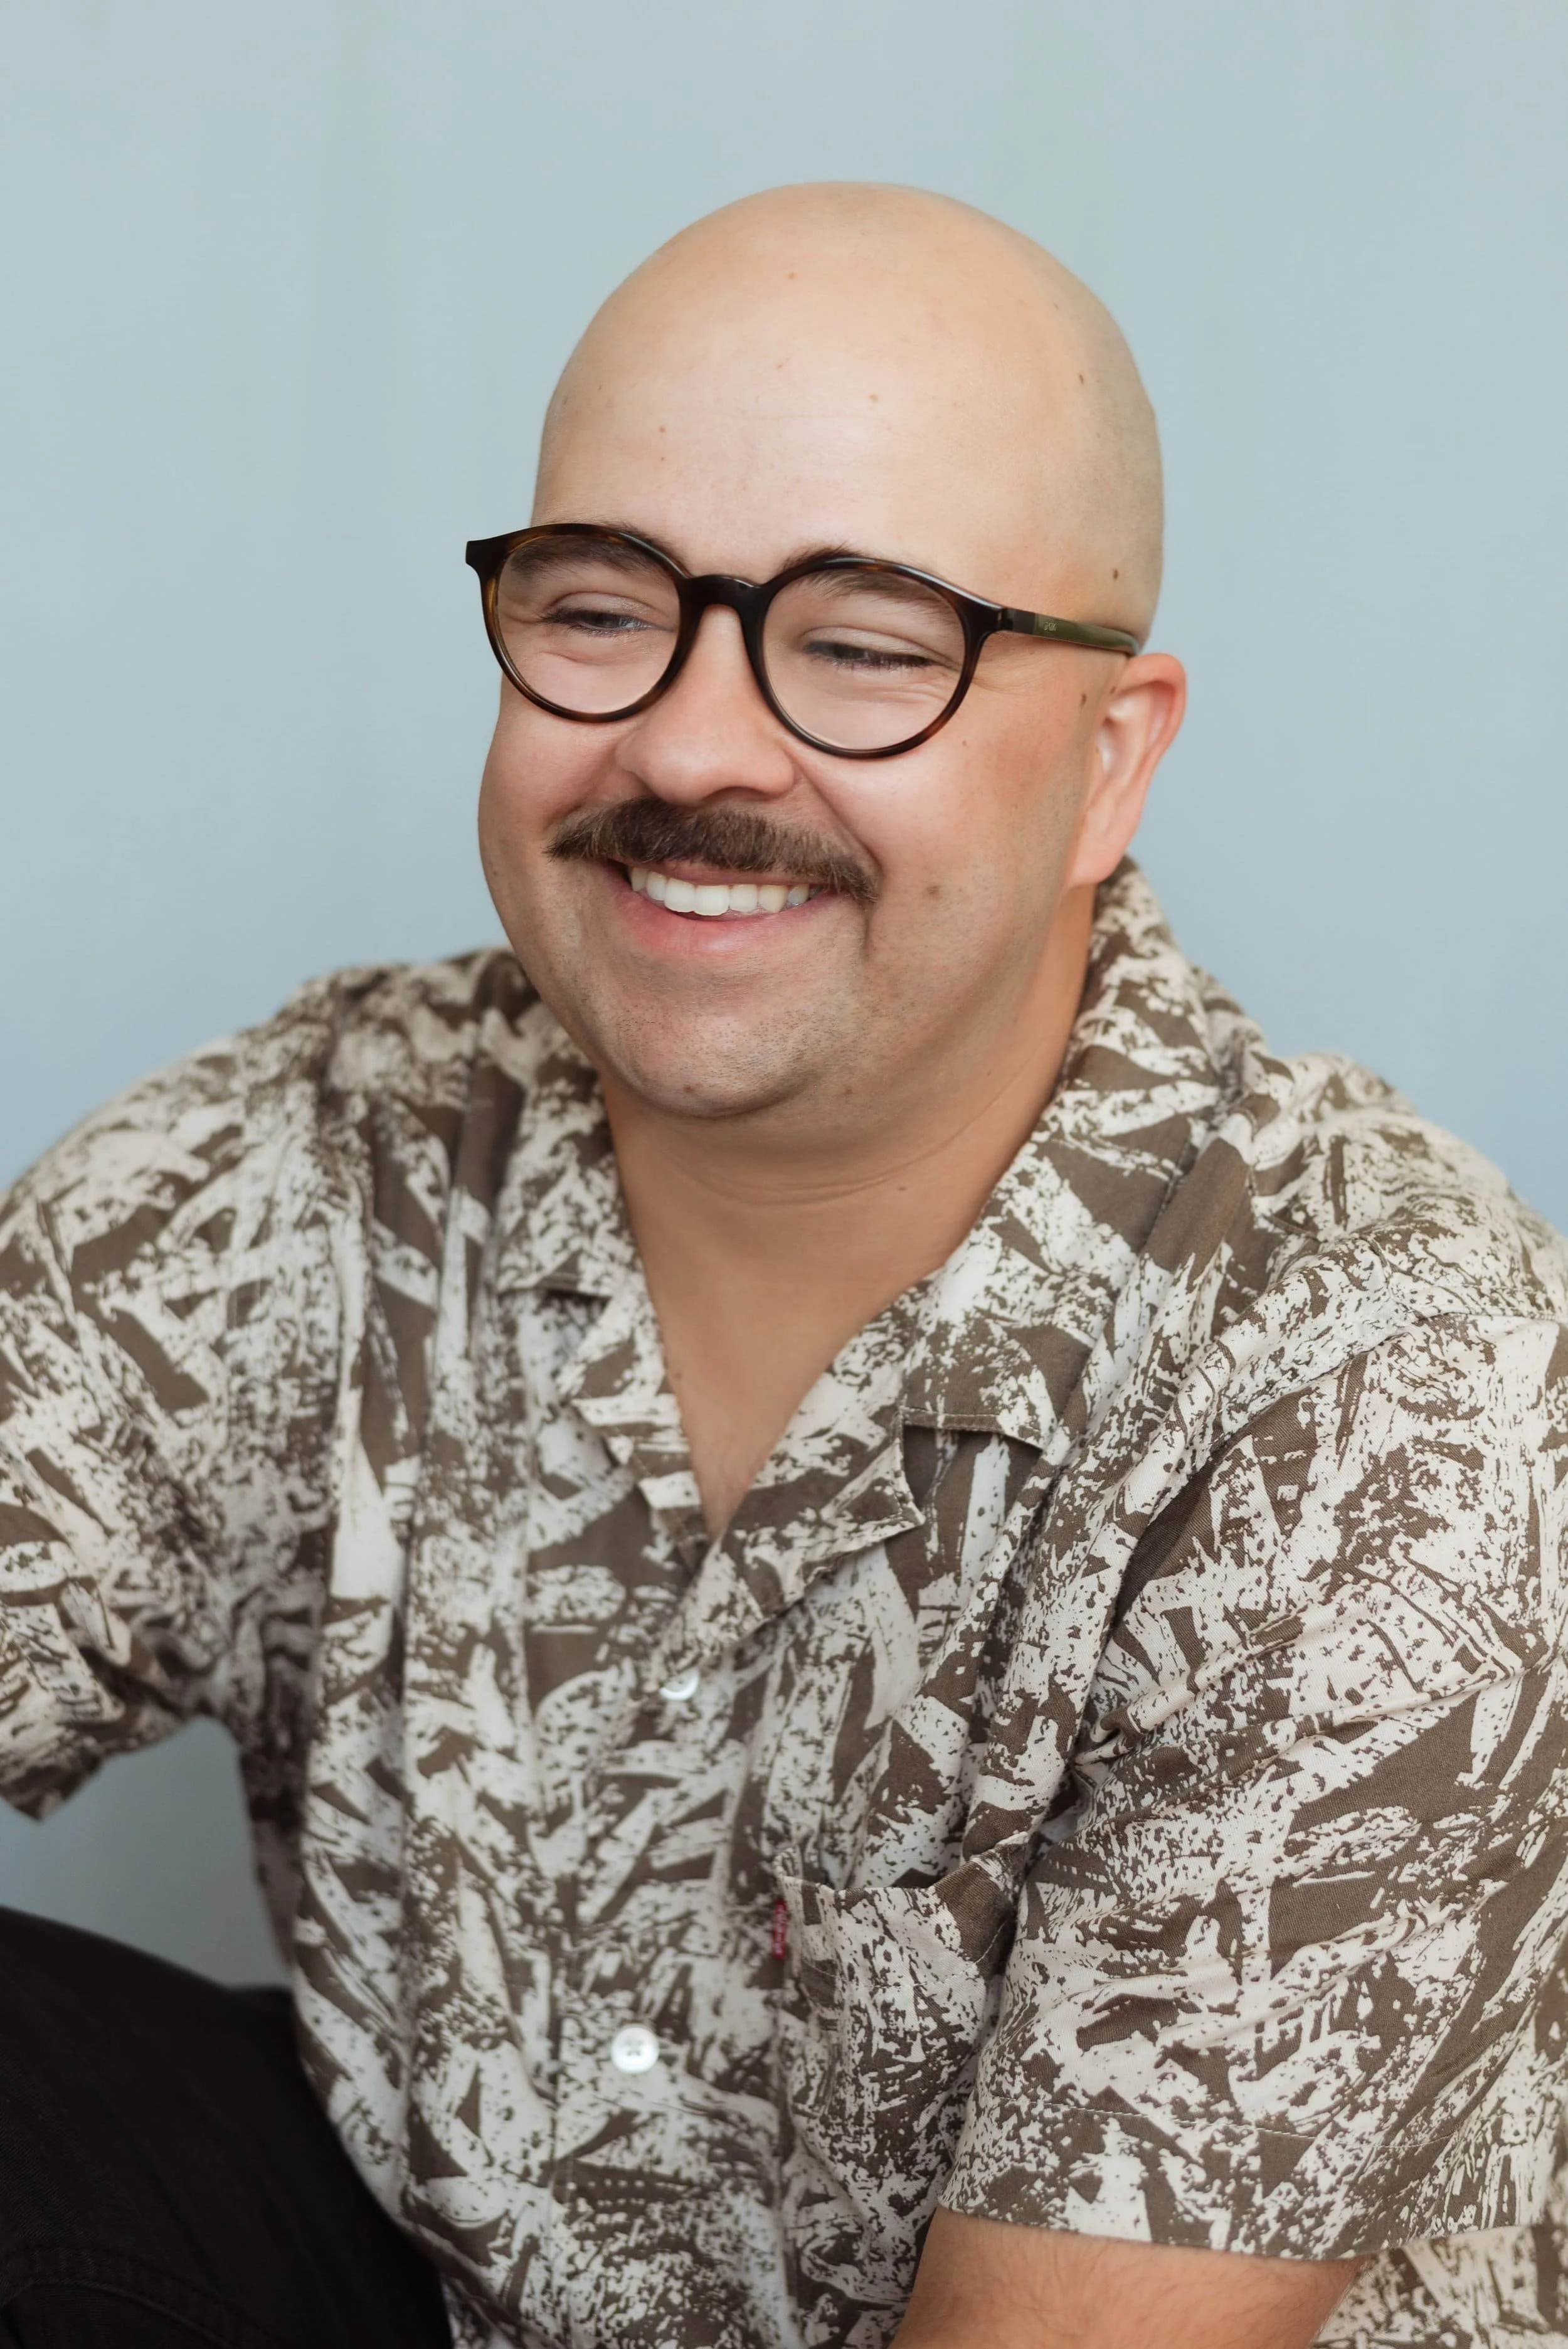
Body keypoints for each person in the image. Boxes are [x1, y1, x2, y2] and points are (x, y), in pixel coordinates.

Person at [1, 181, 1564, 2349]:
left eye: (859, 643)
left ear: (1107, 761)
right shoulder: (310, 1161)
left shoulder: (1378, 1367)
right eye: (597, 603)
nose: (689, 747)